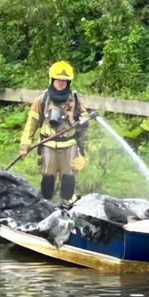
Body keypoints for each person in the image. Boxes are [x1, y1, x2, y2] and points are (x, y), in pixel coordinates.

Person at [19, 61, 87, 202]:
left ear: (69, 82)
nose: (61, 83)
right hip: (48, 145)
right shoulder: (41, 100)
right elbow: (31, 123)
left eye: (64, 81)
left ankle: (67, 206)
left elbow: (84, 122)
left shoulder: (76, 100)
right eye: (58, 80)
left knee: (68, 178)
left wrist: (84, 122)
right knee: (48, 178)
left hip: (69, 146)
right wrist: (25, 145)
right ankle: (46, 204)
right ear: (52, 79)